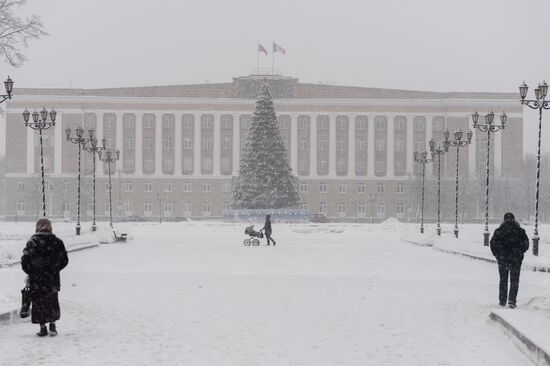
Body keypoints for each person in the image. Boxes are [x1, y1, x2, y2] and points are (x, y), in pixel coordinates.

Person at [21, 218, 69, 336]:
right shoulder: (57, 242)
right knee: (52, 301)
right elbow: (64, 260)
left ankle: (42, 328)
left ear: (37, 227)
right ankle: (52, 326)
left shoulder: (33, 242)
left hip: (37, 280)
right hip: (52, 279)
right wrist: (55, 268)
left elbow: (25, 260)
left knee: (39, 304)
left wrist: (32, 271)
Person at [490, 212, 529, 308]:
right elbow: (526, 244)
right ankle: (512, 300)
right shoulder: (520, 231)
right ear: (514, 219)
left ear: (504, 220)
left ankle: (502, 300)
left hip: (503, 260)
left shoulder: (499, 231)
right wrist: (519, 253)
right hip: (516, 259)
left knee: (503, 280)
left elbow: (493, 244)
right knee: (514, 281)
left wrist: (498, 255)